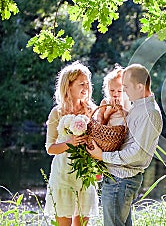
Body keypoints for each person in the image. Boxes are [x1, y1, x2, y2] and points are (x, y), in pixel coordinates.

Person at [87, 63, 163, 226]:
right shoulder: (138, 108)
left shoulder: (149, 113)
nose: (124, 91)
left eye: (126, 87)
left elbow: (138, 153)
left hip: (121, 179)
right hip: (117, 177)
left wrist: (103, 155)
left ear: (140, 86)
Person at [44, 61, 99, 226]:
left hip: (85, 175)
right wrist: (70, 143)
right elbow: (50, 149)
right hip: (62, 177)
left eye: (88, 83)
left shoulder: (92, 110)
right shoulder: (57, 112)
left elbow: (98, 143)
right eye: (81, 83)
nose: (86, 87)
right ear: (68, 86)